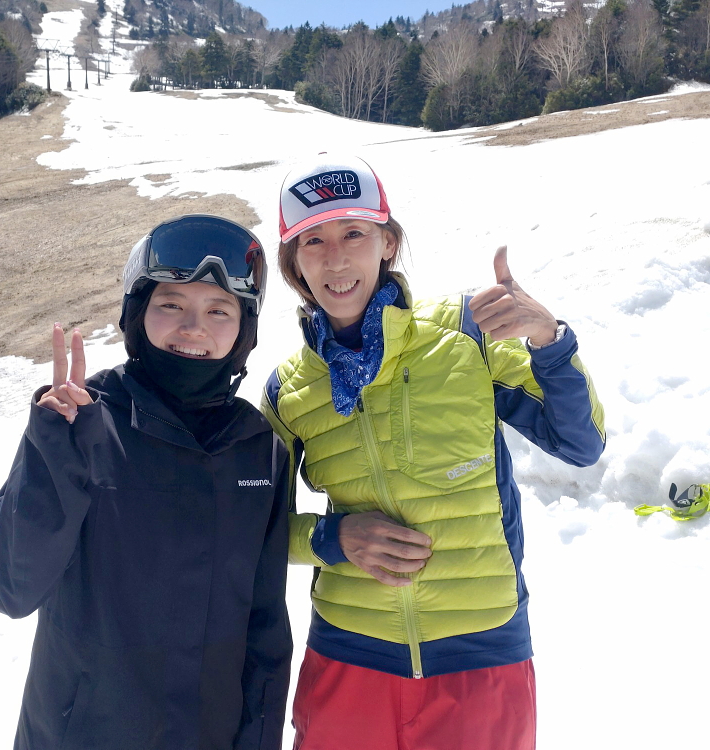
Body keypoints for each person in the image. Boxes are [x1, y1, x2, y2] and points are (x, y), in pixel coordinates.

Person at [262, 155, 606, 750]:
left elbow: (580, 443)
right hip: (349, 659)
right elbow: (249, 528)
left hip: (481, 658)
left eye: (354, 233)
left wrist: (549, 341)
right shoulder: (289, 391)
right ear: (294, 264)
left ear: (388, 244)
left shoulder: (466, 335)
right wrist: (331, 539)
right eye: (312, 241)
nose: (336, 258)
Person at [0, 215, 292, 750]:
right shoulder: (83, 420)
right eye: (171, 304)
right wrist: (56, 452)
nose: (194, 327)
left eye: (219, 310)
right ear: (137, 315)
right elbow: (8, 586)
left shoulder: (258, 450)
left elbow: (265, 632)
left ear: (244, 330)